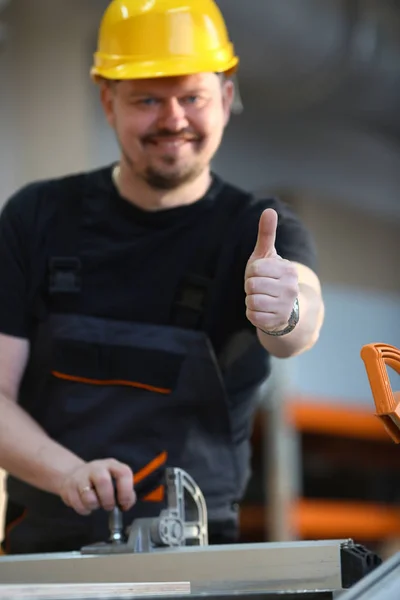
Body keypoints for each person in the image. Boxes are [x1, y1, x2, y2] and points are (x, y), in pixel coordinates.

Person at [0, 0, 325, 555]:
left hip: (201, 560)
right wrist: (67, 473)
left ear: (225, 98)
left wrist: (287, 310)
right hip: (47, 559)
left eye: (192, 97)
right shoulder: (36, 217)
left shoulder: (258, 228)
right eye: (147, 99)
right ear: (108, 100)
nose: (172, 119)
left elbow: (300, 321)